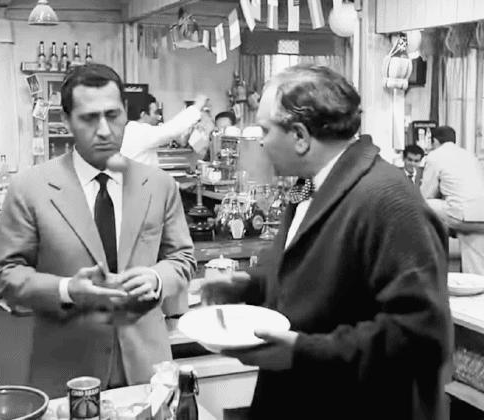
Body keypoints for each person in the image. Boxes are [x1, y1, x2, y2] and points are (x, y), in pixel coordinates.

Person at [200, 65, 451, 420]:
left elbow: (422, 335)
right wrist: (250, 286)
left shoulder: (387, 200)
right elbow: (315, 277)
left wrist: (304, 352)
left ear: (300, 136)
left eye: (266, 130)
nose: (261, 141)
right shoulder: (310, 187)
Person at [0, 64, 196, 397]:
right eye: (88, 118)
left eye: (112, 115)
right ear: (66, 120)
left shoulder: (159, 185)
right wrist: (67, 289)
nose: (103, 130)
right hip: (68, 370)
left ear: (126, 112)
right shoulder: (31, 188)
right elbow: (3, 273)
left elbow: (182, 258)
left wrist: (156, 278)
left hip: (147, 369)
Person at [421, 125, 484, 274]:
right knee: (476, 264)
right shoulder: (469, 155)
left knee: (420, 204)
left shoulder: (434, 156)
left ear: (435, 141)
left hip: (460, 215)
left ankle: (429, 264)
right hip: (480, 214)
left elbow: (426, 193)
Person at [120, 93, 208, 167]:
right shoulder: (138, 131)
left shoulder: (132, 130)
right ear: (143, 115)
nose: (158, 117)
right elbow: (170, 130)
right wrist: (197, 106)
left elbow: (179, 139)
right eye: (155, 113)